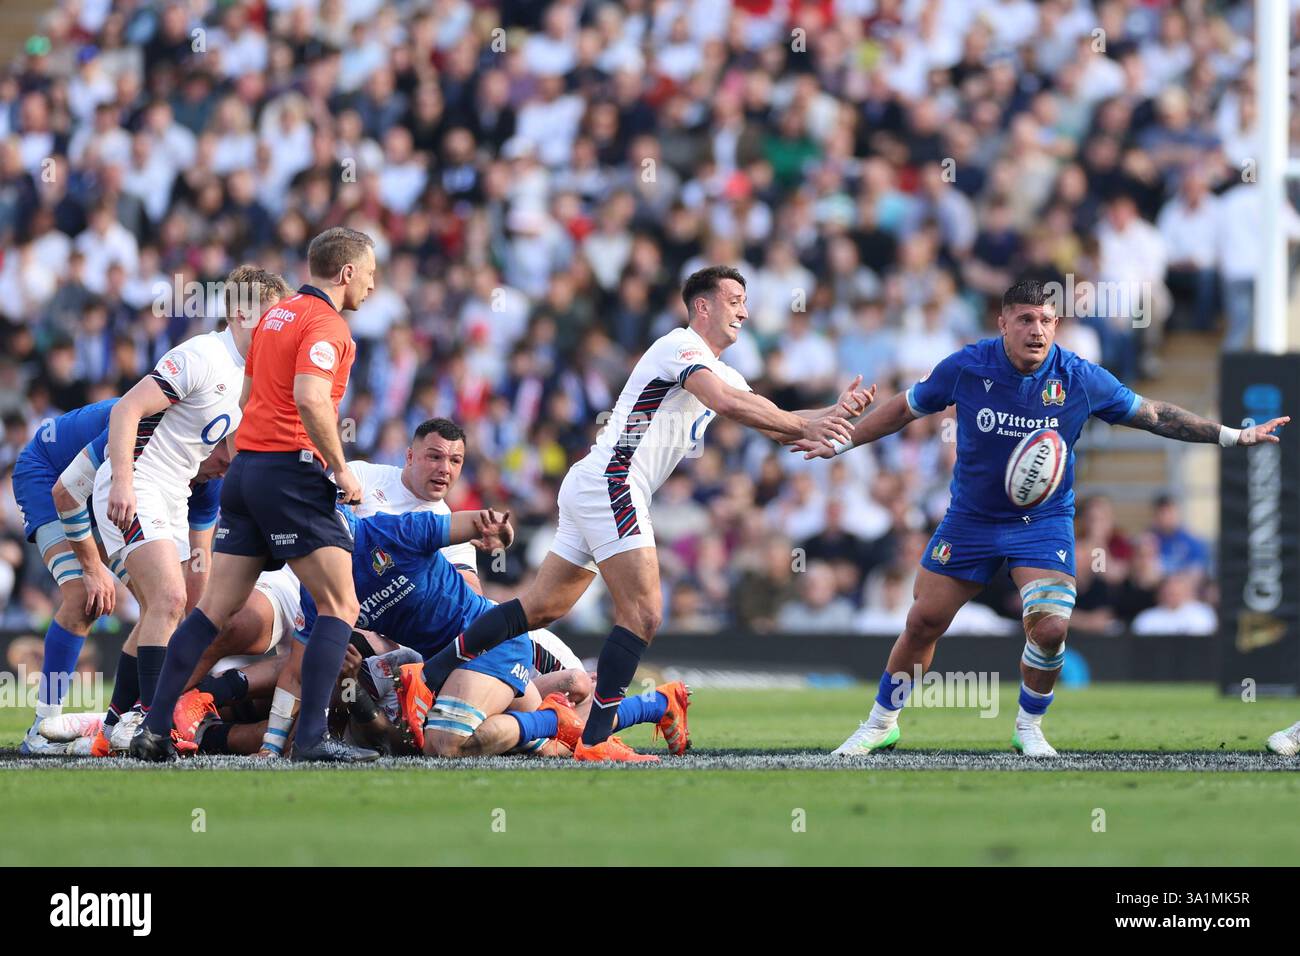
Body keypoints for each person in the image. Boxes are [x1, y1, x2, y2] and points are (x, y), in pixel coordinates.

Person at [801, 279, 1287, 758]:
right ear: (1004, 323)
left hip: (1043, 522)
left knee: (1052, 628)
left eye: (1048, 321)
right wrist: (844, 440)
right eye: (1027, 320)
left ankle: (1028, 727)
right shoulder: (968, 366)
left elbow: (1154, 415)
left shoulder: (1077, 376)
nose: (1038, 330)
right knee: (924, 621)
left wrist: (1232, 436)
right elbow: (905, 408)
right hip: (970, 518)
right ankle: (880, 724)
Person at [398, 265, 868, 761]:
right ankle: (596, 742)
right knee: (643, 613)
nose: (745, 311)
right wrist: (802, 425)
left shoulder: (724, 372)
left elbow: (773, 424)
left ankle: (424, 680)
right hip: (613, 482)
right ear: (702, 306)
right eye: (734, 300)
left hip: (595, 483)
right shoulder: (680, 347)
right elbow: (729, 404)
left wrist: (836, 414)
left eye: (746, 301)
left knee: (541, 608)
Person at [131, 227, 377, 762]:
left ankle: (151, 728)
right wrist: (342, 471)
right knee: (341, 604)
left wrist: (249, 463)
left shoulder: (274, 318)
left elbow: (246, 398)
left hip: (245, 474)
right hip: (290, 473)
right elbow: (311, 398)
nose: (373, 288)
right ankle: (311, 738)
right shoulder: (326, 324)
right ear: (348, 272)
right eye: (371, 275)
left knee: (212, 610)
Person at [90, 266, 290, 741]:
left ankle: (117, 720)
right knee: (170, 599)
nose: (279, 327)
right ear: (241, 311)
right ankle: (149, 719)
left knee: (170, 611)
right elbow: (126, 409)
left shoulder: (250, 376)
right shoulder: (202, 354)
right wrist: (121, 480)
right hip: (138, 483)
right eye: (273, 315)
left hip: (173, 493)